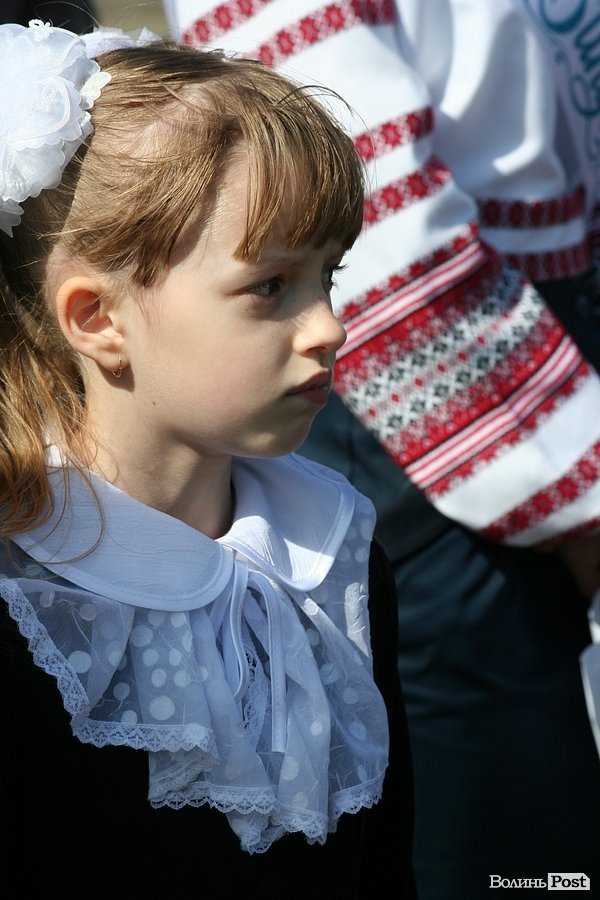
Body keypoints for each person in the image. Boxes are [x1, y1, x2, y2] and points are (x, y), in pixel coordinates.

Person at [164, 1, 600, 897]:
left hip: (533, 359)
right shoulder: (336, 323)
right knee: (508, 843)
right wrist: (573, 487)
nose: (316, 311)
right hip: (450, 413)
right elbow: (377, 219)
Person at [0, 19, 417, 898]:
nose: (331, 327)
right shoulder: (27, 608)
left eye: (328, 277)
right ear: (98, 318)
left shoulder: (330, 553)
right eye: (270, 286)